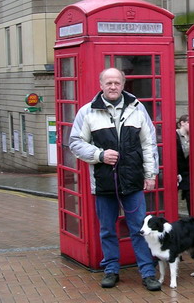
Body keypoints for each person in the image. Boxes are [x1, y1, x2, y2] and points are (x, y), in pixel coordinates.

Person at [69, 67, 161, 291]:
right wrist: (100, 155)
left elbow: (149, 144)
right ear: (101, 85)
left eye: (116, 83)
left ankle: (147, 272)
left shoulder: (138, 109)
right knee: (107, 229)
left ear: (123, 84)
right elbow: (74, 143)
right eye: (108, 83)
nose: (112, 87)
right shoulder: (88, 112)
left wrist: (151, 174)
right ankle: (111, 270)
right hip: (103, 182)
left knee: (139, 228)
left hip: (133, 181)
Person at [176, 115, 190, 215]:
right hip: (175, 171)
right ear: (182, 123)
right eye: (189, 122)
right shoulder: (174, 135)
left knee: (190, 196)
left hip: (188, 173)